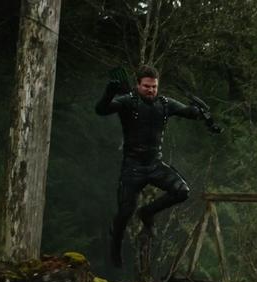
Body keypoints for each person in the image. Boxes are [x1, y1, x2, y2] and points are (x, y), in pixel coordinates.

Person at [95, 64, 221, 267]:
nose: (151, 90)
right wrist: (109, 92)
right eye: (146, 86)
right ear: (138, 85)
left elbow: (186, 112)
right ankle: (115, 249)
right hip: (133, 167)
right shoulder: (128, 101)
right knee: (125, 212)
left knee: (182, 191)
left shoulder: (164, 103)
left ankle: (147, 212)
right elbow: (101, 110)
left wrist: (198, 111)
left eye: (154, 86)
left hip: (155, 165)